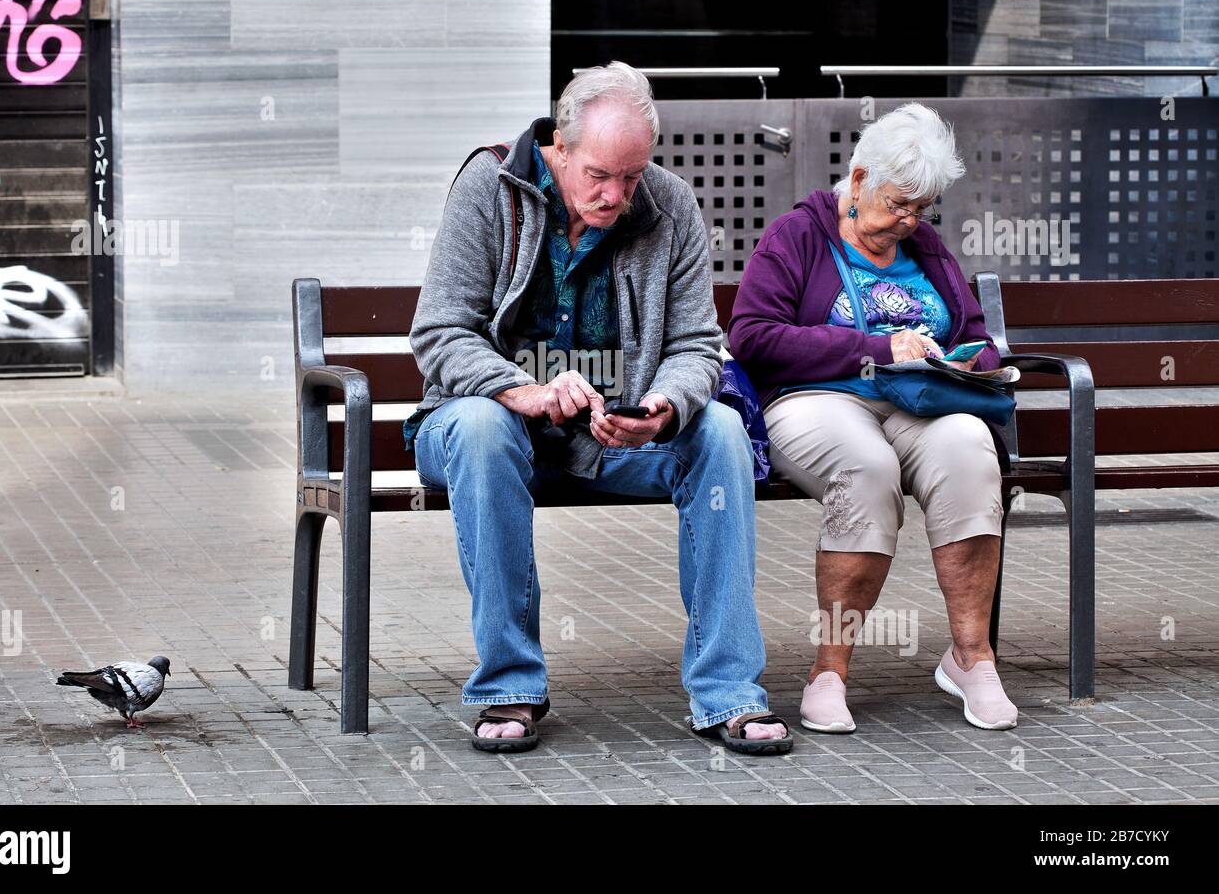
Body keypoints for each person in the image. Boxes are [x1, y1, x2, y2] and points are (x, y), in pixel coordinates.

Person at [406, 62, 791, 754]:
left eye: (632, 177)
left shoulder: (671, 206)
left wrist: (664, 407)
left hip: (612, 439)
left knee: (723, 432)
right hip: (486, 431)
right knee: (484, 426)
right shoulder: (487, 189)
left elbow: (700, 345)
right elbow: (439, 332)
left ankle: (729, 690)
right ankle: (510, 686)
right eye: (599, 175)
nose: (615, 195)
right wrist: (518, 391)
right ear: (561, 143)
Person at [728, 103, 1018, 733]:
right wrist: (881, 348)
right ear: (857, 180)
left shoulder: (925, 245)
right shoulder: (797, 235)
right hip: (816, 401)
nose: (909, 222)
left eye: (922, 209)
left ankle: (971, 656)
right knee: (867, 469)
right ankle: (829, 673)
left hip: (921, 401)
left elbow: (974, 333)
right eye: (898, 205)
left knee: (971, 449)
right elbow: (751, 335)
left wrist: (970, 362)